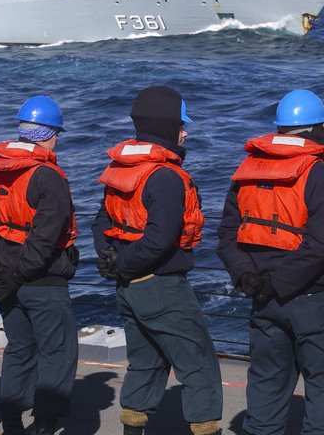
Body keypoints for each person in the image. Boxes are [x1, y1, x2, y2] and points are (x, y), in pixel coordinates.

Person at [217, 89, 324, 435]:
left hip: (262, 299)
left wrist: (247, 277)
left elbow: (227, 235)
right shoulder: (319, 175)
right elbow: (321, 245)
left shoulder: (246, 171)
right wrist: (280, 282)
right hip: (311, 299)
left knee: (266, 384)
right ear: (319, 130)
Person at [92, 86, 222, 435]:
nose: (185, 132)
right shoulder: (164, 176)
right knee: (198, 364)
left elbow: (102, 221)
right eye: (181, 124)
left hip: (128, 288)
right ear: (166, 126)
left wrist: (112, 259)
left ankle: (133, 428)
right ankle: (206, 428)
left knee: (146, 362)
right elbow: (161, 239)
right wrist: (123, 263)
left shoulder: (121, 168)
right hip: (161, 286)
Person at [0, 96, 79, 435]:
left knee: (19, 348)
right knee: (58, 351)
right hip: (42, 281)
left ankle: (12, 419)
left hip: (5, 279)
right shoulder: (48, 176)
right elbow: (45, 239)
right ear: (49, 134)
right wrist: (18, 274)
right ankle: (44, 424)